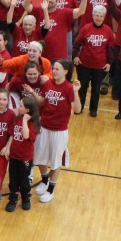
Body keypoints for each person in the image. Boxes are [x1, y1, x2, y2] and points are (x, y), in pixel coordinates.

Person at [21, 59, 80, 204]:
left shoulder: (68, 88)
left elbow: (77, 110)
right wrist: (32, 92)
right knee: (39, 157)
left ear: (65, 72)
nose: (54, 71)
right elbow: (42, 102)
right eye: (53, 68)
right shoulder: (48, 84)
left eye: (57, 69)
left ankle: (51, 191)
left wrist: (76, 91)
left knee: (55, 161)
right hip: (44, 126)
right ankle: (45, 180)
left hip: (59, 131)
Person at [5, 94, 39, 212]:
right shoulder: (16, 119)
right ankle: (13, 197)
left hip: (25, 157)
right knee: (13, 178)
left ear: (27, 110)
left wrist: (25, 120)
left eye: (21, 106)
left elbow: (25, 135)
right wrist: (8, 147)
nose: (18, 107)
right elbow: (12, 135)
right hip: (14, 155)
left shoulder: (33, 124)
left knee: (24, 179)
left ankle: (25, 198)